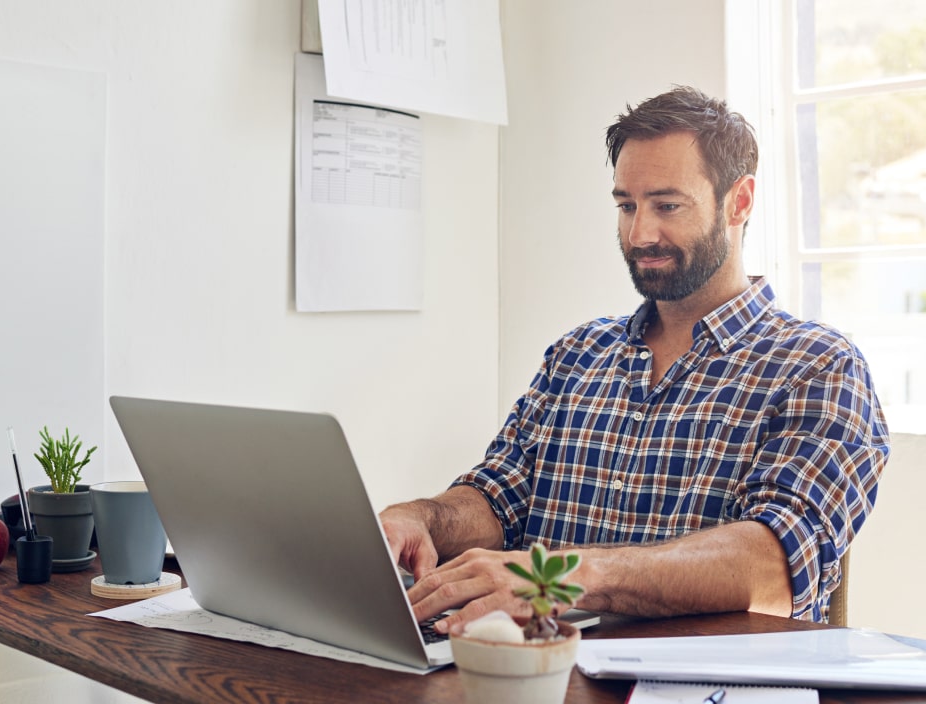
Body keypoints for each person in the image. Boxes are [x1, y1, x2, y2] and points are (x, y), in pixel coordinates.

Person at [380, 86, 889, 631]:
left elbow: (773, 563)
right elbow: (500, 497)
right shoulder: (579, 353)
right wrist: (422, 519)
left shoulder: (818, 365)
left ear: (738, 202)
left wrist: (561, 577)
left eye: (667, 205)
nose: (639, 233)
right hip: (540, 670)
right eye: (627, 206)